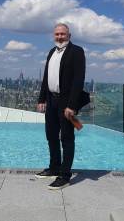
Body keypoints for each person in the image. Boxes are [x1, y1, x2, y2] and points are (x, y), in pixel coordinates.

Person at [35, 23, 87, 190]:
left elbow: (78, 80)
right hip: (51, 100)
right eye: (57, 34)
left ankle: (64, 175)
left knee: (66, 138)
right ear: (53, 35)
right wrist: (41, 99)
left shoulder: (77, 51)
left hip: (66, 103)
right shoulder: (52, 52)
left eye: (63, 34)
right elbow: (46, 77)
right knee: (51, 135)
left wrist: (71, 105)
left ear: (69, 35)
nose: (59, 37)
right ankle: (54, 167)